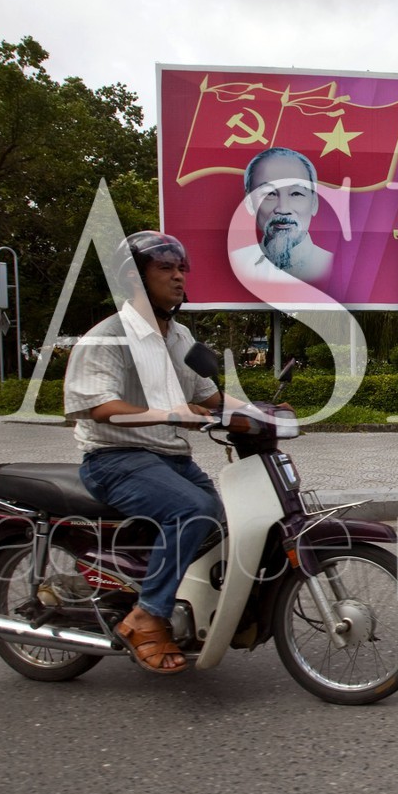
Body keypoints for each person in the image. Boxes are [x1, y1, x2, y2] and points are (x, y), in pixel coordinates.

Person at [64, 231, 238, 675]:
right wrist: (172, 413)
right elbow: (101, 407)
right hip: (114, 458)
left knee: (221, 520)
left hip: (169, 458)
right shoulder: (108, 337)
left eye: (181, 268)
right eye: (165, 268)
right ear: (134, 278)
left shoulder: (179, 336)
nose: (179, 276)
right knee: (193, 510)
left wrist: (262, 413)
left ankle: (173, 599)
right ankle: (146, 615)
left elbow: (210, 397)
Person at [229, 147, 333, 285]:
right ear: (249, 203)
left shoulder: (334, 266)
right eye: (270, 194)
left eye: (296, 193)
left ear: (314, 203)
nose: (283, 209)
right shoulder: (234, 264)